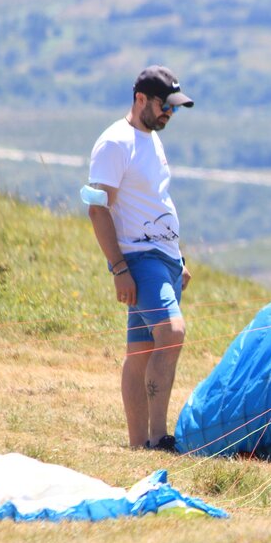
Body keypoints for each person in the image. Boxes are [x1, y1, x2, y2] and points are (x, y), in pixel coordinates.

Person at [82, 65, 194, 451]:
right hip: (140, 258)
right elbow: (98, 210)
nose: (169, 114)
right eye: (165, 106)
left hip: (164, 258)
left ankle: (136, 447)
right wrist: (118, 269)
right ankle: (158, 438)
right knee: (171, 333)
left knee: (141, 351)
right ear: (141, 99)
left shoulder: (151, 138)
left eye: (174, 109)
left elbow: (155, 201)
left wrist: (177, 257)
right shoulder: (115, 143)